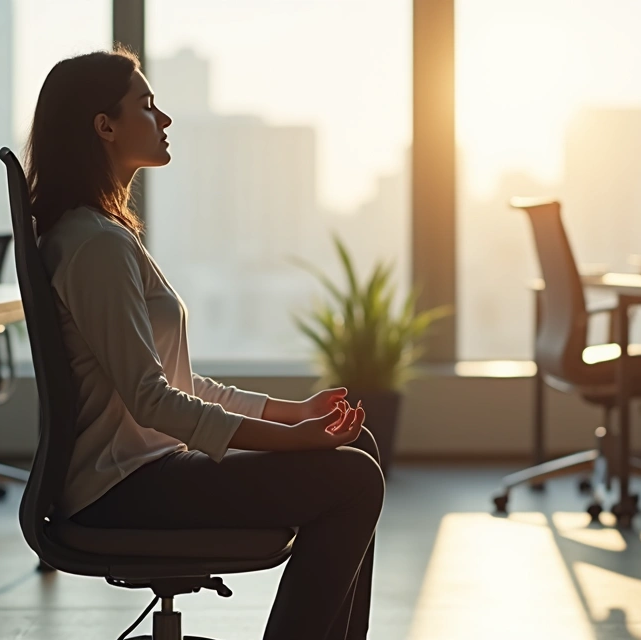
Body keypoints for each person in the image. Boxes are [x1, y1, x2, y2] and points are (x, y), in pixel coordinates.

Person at [24, 47, 385, 640]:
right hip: (121, 490)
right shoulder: (95, 246)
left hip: (145, 471)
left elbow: (177, 384)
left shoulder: (101, 235)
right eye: (147, 105)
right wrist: (290, 441)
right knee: (354, 480)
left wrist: (291, 414)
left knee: (359, 450)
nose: (164, 120)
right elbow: (154, 401)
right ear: (104, 126)